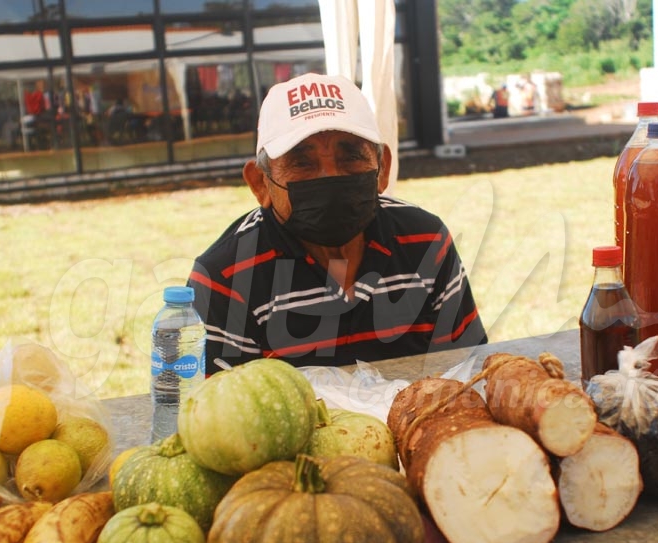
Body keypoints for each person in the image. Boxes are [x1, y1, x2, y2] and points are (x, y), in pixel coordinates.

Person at [188, 72, 487, 373]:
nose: (329, 177)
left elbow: (470, 370)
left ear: (382, 170)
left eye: (351, 157)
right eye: (302, 162)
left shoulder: (425, 242)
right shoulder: (225, 276)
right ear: (260, 184)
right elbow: (214, 409)